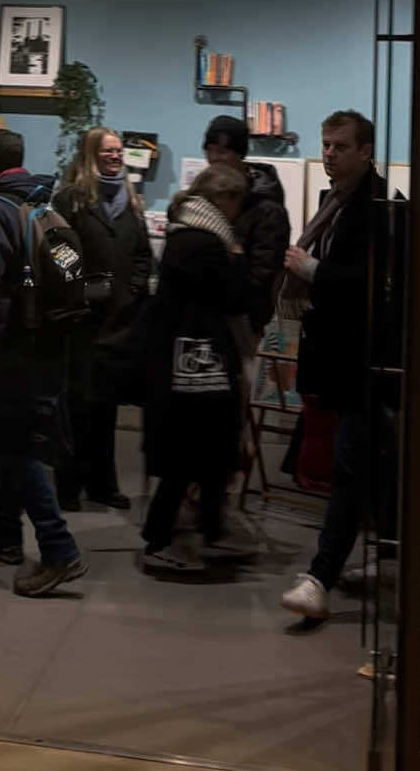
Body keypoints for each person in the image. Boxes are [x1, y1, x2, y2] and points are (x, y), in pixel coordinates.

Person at [0, 129, 86, 597]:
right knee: (16, 441)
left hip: (9, 348)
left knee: (17, 448)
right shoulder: (41, 201)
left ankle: (58, 549)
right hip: (45, 341)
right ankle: (5, 534)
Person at [278, 109, 388, 620]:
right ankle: (383, 555)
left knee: (349, 465)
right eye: (325, 145)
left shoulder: (381, 207)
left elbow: (374, 286)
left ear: (366, 150)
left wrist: (311, 269)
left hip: (363, 359)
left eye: (340, 146)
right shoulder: (335, 202)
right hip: (337, 353)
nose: (329, 154)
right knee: (367, 462)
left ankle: (321, 575)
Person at [140, 164, 250, 573]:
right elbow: (235, 297)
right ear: (223, 199)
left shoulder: (183, 233)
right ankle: (166, 537)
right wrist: (237, 256)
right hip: (198, 361)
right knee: (199, 450)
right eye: (237, 203)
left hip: (179, 358)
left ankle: (204, 531)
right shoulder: (207, 242)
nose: (237, 215)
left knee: (192, 452)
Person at [53, 127, 152, 511]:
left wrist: (135, 288)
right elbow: (57, 250)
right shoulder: (70, 200)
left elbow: (143, 253)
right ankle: (68, 485)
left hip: (120, 319)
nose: (115, 156)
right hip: (81, 319)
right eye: (107, 150)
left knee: (106, 405)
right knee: (77, 405)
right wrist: (79, 288)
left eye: (118, 151)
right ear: (91, 154)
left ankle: (102, 484)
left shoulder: (131, 202)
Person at [201, 115, 290, 540]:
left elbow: (260, 278)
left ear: (240, 156)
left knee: (231, 415)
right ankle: (204, 500)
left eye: (223, 152)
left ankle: (224, 503)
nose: (214, 159)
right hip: (207, 324)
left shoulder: (266, 207)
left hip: (239, 326)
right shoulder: (208, 196)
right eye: (210, 150)